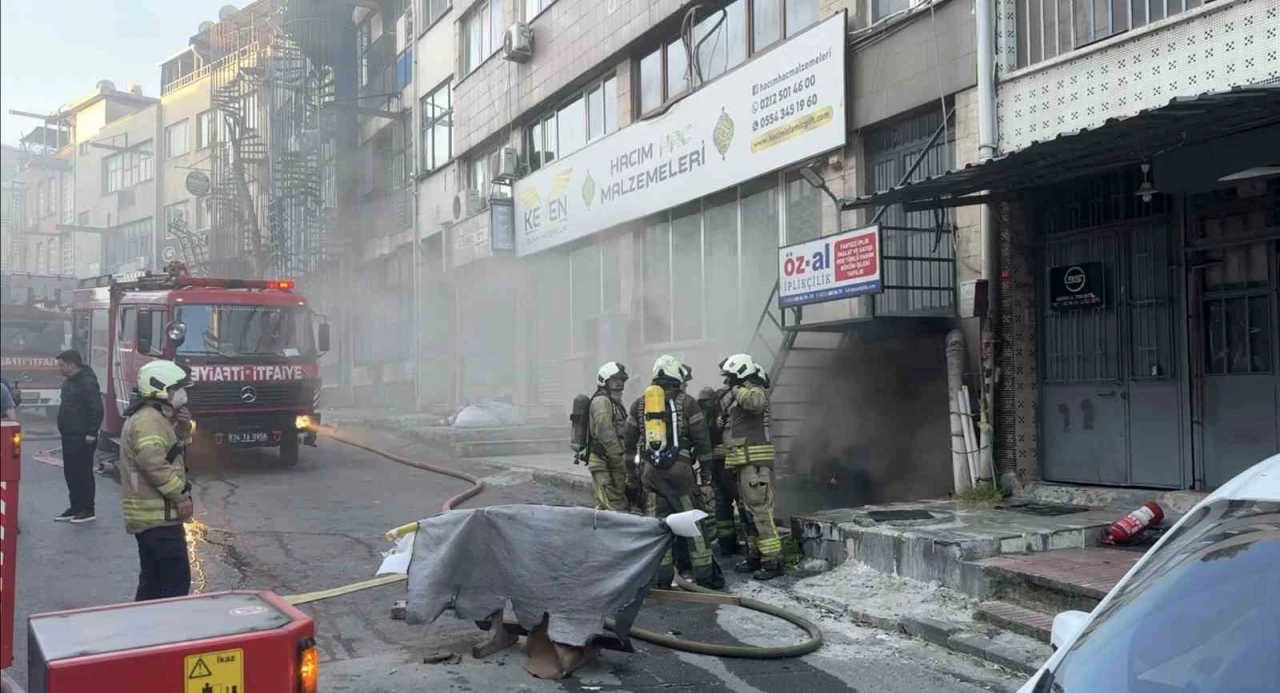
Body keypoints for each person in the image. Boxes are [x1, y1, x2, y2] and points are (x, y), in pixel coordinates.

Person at [624, 355, 723, 589]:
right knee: (693, 523)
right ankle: (705, 576)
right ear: (677, 376)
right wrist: (706, 472)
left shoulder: (639, 404)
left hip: (650, 474)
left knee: (657, 527)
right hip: (681, 474)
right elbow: (702, 441)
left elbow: (628, 444)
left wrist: (631, 475)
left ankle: (661, 579)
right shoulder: (687, 402)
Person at [121, 359, 196, 601]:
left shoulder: (156, 418)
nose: (182, 393)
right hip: (158, 520)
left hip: (154, 520)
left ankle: (143, 622)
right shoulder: (148, 422)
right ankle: (166, 624)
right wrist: (180, 495)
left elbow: (171, 449)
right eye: (177, 388)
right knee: (175, 583)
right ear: (161, 389)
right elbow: (153, 464)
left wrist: (182, 425)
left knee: (152, 582)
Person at [718, 353, 783, 580]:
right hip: (742, 465)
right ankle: (755, 556)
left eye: (730, 377)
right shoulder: (740, 396)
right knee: (747, 515)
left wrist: (737, 390)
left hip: (756, 466)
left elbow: (755, 403)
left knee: (760, 512)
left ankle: (772, 561)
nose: (728, 382)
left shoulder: (756, 391)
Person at [54, 349, 104, 524]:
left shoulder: (87, 382)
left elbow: (96, 408)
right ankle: (75, 507)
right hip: (69, 435)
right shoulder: (69, 382)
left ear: (71, 364)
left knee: (83, 473)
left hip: (83, 436)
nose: (59, 368)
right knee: (71, 473)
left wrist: (92, 432)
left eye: (62, 365)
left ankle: (87, 509)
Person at [698, 385, 743, 556]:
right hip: (727, 461)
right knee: (740, 500)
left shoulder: (701, 414)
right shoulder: (716, 413)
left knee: (722, 502)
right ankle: (749, 542)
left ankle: (726, 544)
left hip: (714, 464)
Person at [586, 361, 633, 513]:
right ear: (604, 381)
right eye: (615, 380)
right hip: (604, 462)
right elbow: (606, 434)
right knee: (615, 504)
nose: (620, 383)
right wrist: (619, 460)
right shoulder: (602, 401)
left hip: (613, 461)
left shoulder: (615, 402)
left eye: (622, 380)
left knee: (608, 504)